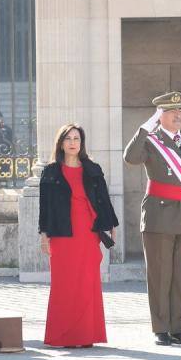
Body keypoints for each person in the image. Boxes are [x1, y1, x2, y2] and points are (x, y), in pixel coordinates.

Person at [124, 91, 181, 346]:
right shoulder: (150, 140)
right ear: (160, 116)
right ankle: (161, 328)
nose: (178, 115)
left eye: (180, 111)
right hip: (159, 216)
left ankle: (178, 327)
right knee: (160, 275)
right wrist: (146, 127)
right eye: (172, 112)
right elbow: (130, 158)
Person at [39, 123, 117, 348]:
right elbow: (45, 207)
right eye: (68, 139)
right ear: (61, 143)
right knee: (64, 283)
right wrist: (44, 234)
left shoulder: (92, 169)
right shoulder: (51, 171)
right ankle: (65, 335)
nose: (73, 143)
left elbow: (104, 199)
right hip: (62, 233)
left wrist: (111, 224)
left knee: (87, 282)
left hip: (87, 232)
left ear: (81, 143)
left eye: (76, 139)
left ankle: (86, 335)